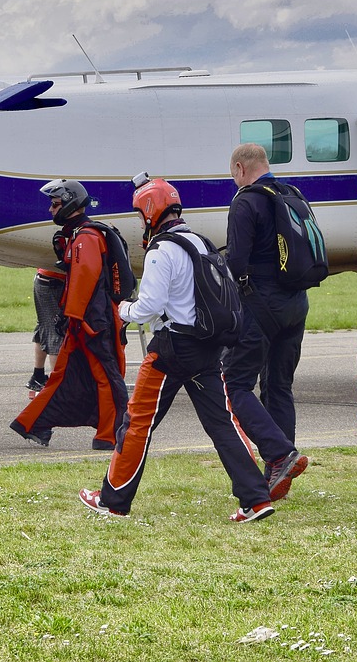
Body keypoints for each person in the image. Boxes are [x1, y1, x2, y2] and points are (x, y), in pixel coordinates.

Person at [79, 178, 275, 522]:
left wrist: (122, 311)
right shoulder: (200, 242)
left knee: (137, 423)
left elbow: (149, 307)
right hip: (207, 345)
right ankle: (256, 498)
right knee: (223, 423)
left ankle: (113, 500)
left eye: (141, 214)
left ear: (151, 211)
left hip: (171, 348)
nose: (142, 221)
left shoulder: (161, 249)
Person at [11, 179, 128, 451]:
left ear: (71, 204)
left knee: (107, 377)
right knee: (66, 375)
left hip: (90, 322)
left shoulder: (86, 237)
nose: (51, 210)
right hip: (84, 321)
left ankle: (110, 435)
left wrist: (72, 316)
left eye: (56, 204)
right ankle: (35, 424)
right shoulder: (79, 235)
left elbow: (84, 281)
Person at [223, 143, 311, 471]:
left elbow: (236, 262)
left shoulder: (246, 201)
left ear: (241, 169)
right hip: (297, 303)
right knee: (278, 385)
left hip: (262, 306)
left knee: (235, 383)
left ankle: (279, 454)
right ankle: (280, 467)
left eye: (233, 174)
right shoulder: (291, 194)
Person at [27, 260, 66, 399]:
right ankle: (57, 385)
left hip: (43, 278)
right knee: (56, 332)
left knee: (44, 325)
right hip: (55, 281)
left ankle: (38, 375)